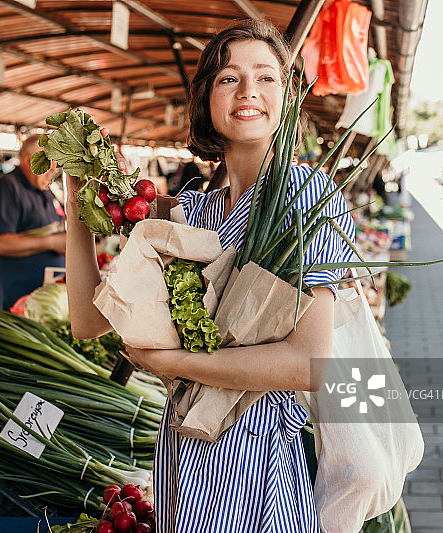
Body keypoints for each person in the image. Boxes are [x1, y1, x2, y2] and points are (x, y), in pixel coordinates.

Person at [65, 19, 353, 531]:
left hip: (258, 472)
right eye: (228, 78)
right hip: (181, 460)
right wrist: (77, 205)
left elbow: (306, 364)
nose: (248, 91)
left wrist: (173, 361)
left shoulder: (307, 199)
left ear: (287, 98)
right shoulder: (189, 213)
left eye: (266, 78)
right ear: (207, 100)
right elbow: (89, 320)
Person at [0, 134, 66, 310]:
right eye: (50, 163)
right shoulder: (6, 187)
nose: (54, 169)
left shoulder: (42, 188)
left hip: (39, 296)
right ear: (30, 160)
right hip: (13, 295)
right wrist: (51, 242)